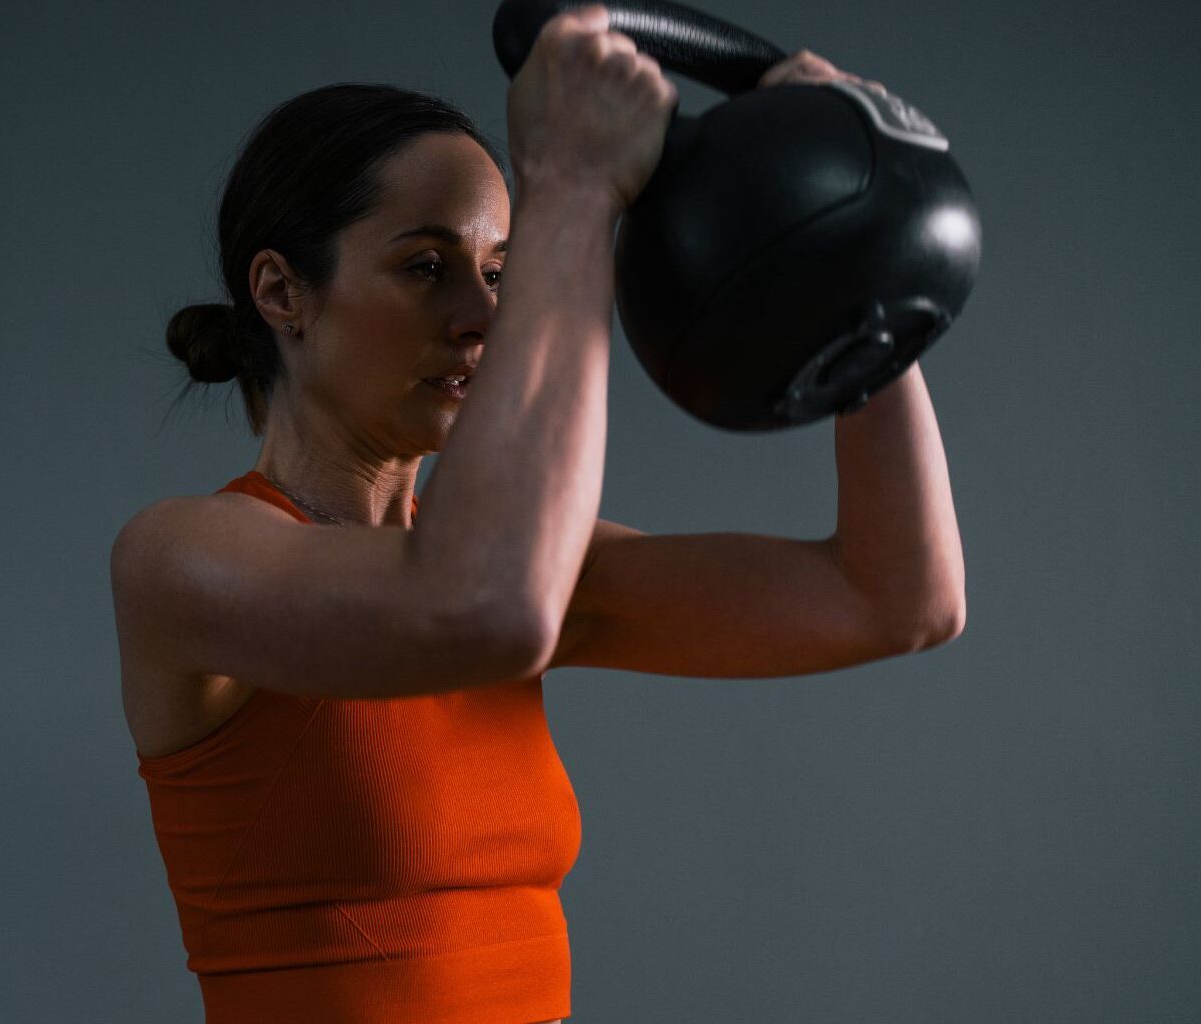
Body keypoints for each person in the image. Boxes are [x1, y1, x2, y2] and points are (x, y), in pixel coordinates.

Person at [110, 7, 965, 1022]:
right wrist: (571, 187)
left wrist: (854, 256)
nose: (482, 316)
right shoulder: (183, 560)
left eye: (501, 274)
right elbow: (485, 606)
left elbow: (896, 596)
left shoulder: (529, 572)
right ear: (281, 293)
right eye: (427, 267)